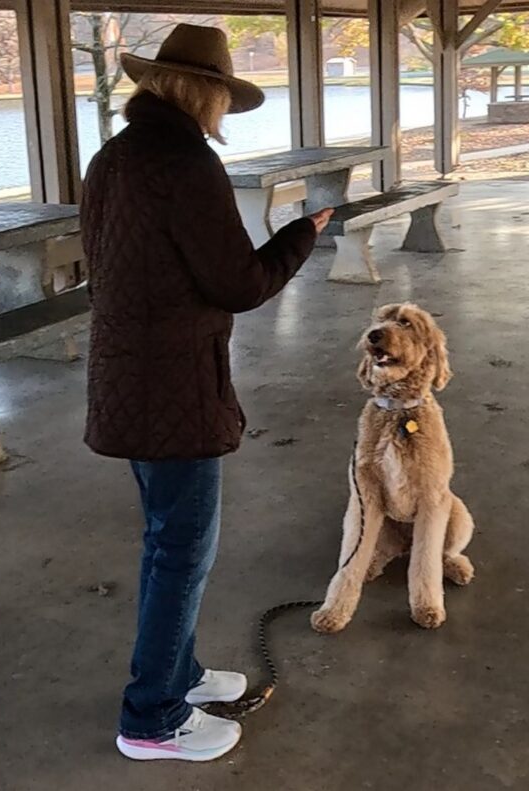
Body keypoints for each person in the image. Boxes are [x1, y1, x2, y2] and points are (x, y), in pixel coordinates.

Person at [80, 24, 333, 763]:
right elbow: (239, 284)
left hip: (123, 379)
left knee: (166, 541)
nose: (224, 109)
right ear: (204, 92)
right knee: (182, 553)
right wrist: (299, 235)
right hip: (177, 389)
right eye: (222, 94)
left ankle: (180, 674)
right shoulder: (187, 163)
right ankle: (151, 717)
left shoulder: (113, 156)